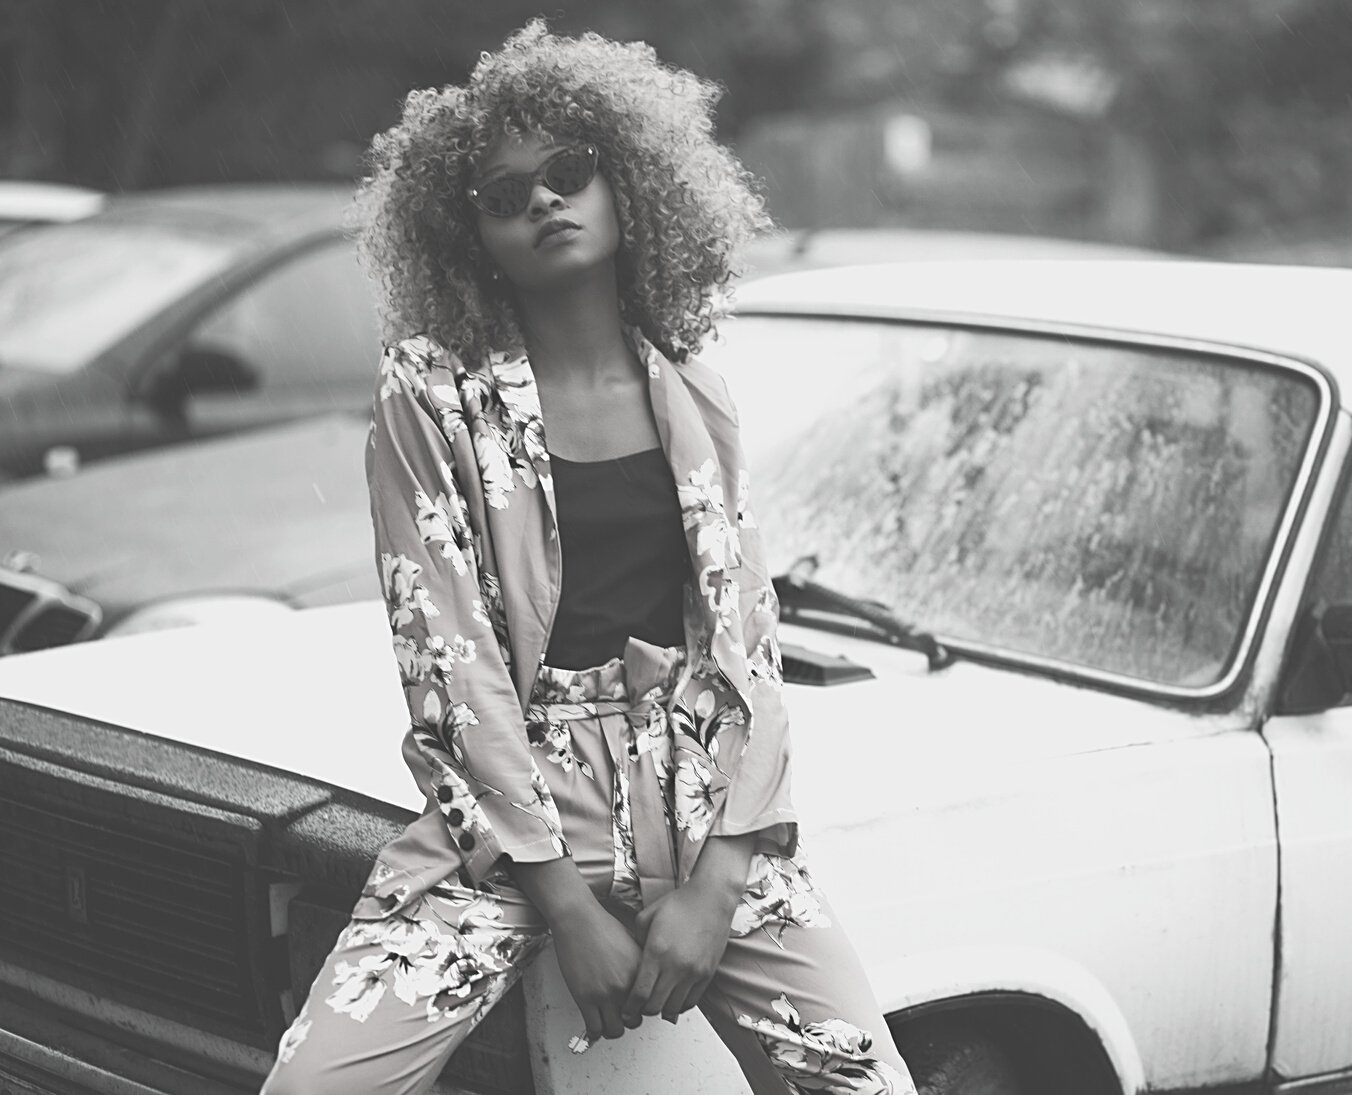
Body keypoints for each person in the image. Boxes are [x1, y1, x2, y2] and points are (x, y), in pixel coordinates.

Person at [260, 21, 917, 1095]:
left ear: (629, 186)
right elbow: (449, 664)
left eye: (568, 172)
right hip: (519, 816)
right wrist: (564, 902)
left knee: (866, 1086)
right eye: (503, 191)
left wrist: (717, 887)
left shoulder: (695, 389)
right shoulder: (433, 398)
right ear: (466, 232)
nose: (542, 202)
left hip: (706, 810)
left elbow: (750, 649)